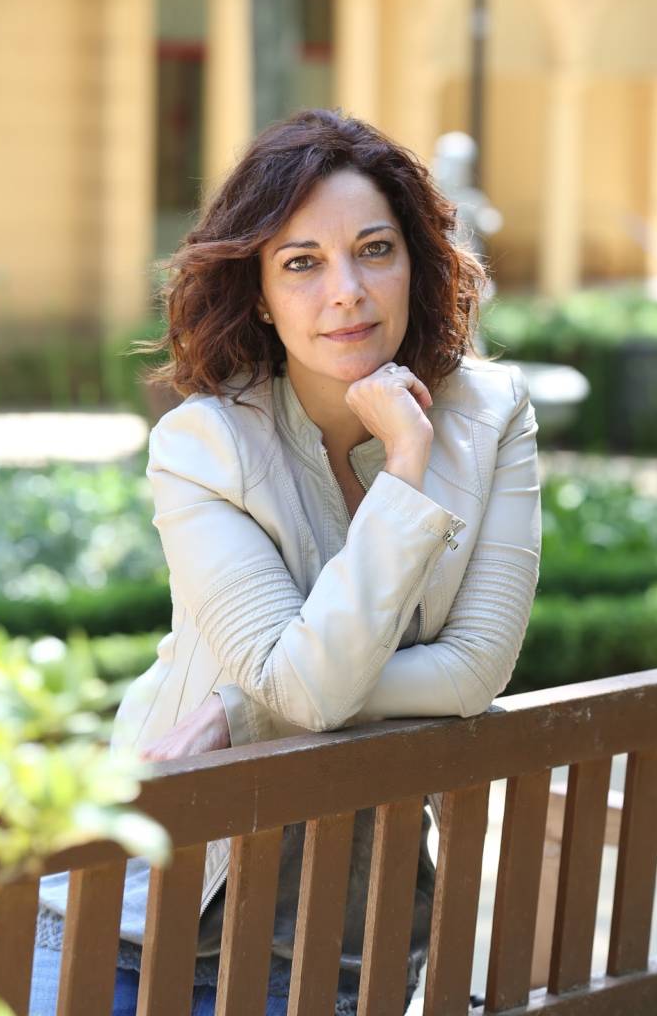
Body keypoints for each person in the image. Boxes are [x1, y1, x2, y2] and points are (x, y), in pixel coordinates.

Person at [32, 107, 541, 1015]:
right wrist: (279, 692)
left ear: (417, 263)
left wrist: (243, 709)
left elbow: (474, 668)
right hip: (135, 921)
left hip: (330, 952)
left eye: (375, 250)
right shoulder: (204, 445)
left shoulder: (492, 415)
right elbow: (306, 689)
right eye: (302, 263)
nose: (347, 291)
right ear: (260, 293)